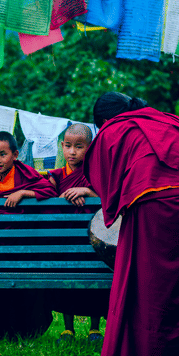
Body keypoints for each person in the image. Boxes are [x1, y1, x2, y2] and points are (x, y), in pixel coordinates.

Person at [84, 92, 179, 356]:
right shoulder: (174, 121)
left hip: (150, 202)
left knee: (142, 284)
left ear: (105, 120)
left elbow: (101, 174)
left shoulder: (115, 128)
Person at [0, 131, 57, 338]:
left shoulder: (26, 174)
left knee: (26, 269)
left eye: (2, 154)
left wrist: (24, 193)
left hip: (20, 244)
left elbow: (49, 191)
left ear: (15, 154)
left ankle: (24, 330)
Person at [46, 123, 109, 343]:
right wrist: (62, 197)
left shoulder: (96, 174)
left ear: (90, 148)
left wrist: (87, 191)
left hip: (93, 238)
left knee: (95, 279)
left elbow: (107, 198)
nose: (72, 152)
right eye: (68, 146)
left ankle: (94, 328)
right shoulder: (55, 175)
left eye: (79, 147)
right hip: (65, 236)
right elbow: (46, 200)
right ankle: (68, 328)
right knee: (67, 280)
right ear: (62, 146)